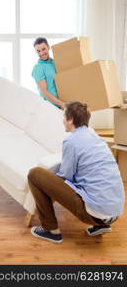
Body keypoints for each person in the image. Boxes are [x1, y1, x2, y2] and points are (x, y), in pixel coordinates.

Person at [28, 101, 125, 243]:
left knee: (35, 174)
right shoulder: (96, 138)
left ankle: (51, 230)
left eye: (64, 117)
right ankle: (102, 225)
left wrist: (49, 184)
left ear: (71, 120)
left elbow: (66, 177)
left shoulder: (71, 142)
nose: (62, 121)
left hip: (96, 213)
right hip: (114, 212)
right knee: (97, 182)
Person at [32, 37, 65, 109]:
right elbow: (44, 92)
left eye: (43, 49)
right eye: (38, 51)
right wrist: (62, 104)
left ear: (48, 47)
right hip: (49, 107)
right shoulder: (38, 68)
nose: (41, 53)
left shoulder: (54, 62)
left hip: (61, 105)